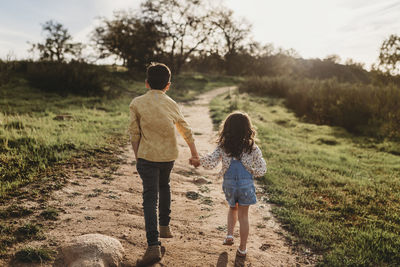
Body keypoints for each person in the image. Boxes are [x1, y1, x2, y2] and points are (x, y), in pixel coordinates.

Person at [129, 62, 199, 265]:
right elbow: (185, 129)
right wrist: (194, 154)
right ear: (168, 85)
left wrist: (138, 156)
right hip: (168, 157)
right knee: (164, 186)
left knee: (150, 198)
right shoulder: (172, 103)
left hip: (147, 157)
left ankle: (153, 244)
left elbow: (134, 133)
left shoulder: (137, 103)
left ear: (146, 83)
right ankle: (165, 226)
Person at [190, 112, 266, 258]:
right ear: (247, 129)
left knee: (232, 209)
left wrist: (198, 160)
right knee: (244, 216)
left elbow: (211, 161)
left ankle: (230, 235)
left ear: (227, 128)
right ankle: (243, 248)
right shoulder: (252, 147)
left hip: (230, 184)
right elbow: (262, 169)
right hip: (245, 185)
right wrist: (252, 172)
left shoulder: (224, 146)